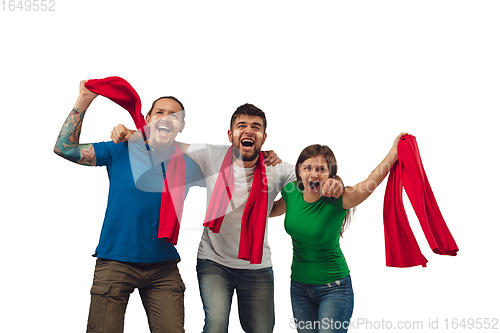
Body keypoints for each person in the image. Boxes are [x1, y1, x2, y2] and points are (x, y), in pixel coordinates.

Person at [111, 103, 345, 333]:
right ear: (230, 134)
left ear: (264, 137)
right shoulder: (212, 155)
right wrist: (133, 133)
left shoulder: (278, 168)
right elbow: (170, 146)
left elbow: (308, 184)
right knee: (216, 324)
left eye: (256, 127)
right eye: (241, 125)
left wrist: (337, 182)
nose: (248, 130)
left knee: (263, 329)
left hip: (257, 265)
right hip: (213, 261)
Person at [53, 80, 206, 333]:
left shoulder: (188, 162)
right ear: (147, 118)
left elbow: (233, 169)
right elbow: (64, 148)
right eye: (160, 112)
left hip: (163, 267)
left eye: (174, 115)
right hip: (115, 260)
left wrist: (266, 157)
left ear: (181, 126)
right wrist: (84, 99)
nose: (166, 118)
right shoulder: (120, 149)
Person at [270, 132, 407, 333]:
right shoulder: (291, 192)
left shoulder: (339, 199)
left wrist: (394, 153)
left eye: (321, 169)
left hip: (333, 288)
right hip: (299, 287)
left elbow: (371, 182)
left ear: (330, 174)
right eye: (307, 168)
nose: (313, 174)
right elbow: (272, 210)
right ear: (299, 171)